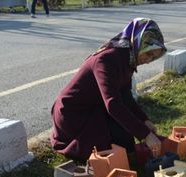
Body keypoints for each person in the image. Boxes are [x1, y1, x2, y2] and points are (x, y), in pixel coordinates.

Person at [50, 18, 167, 161]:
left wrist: (144, 120)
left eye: (153, 57)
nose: (148, 61)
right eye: (148, 53)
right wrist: (145, 135)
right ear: (138, 41)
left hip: (93, 106)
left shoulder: (127, 57)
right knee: (109, 149)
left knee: (125, 141)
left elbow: (125, 96)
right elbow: (113, 103)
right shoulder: (107, 59)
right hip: (72, 115)